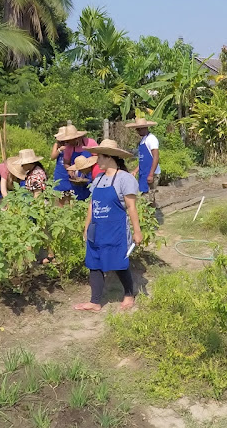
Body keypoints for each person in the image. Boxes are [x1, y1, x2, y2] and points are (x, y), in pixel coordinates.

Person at [73, 139, 143, 313]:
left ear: (109, 157)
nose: (97, 160)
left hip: (116, 230)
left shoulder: (124, 179)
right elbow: (92, 204)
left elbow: (131, 207)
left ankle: (128, 294)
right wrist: (86, 226)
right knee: (94, 262)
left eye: (99, 157)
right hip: (97, 229)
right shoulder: (98, 178)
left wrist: (137, 231)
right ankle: (95, 302)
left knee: (119, 261)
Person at [126, 117, 160, 205]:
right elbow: (143, 160)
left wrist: (151, 174)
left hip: (151, 173)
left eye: (139, 129)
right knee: (143, 196)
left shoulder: (151, 139)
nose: (137, 131)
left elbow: (155, 157)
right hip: (144, 172)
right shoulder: (143, 140)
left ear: (145, 128)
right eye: (137, 129)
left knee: (148, 199)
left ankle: (152, 216)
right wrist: (135, 171)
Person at [52, 124, 89, 205]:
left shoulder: (85, 143)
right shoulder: (61, 146)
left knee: (73, 196)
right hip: (65, 173)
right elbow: (54, 158)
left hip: (81, 173)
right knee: (62, 196)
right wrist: (59, 150)